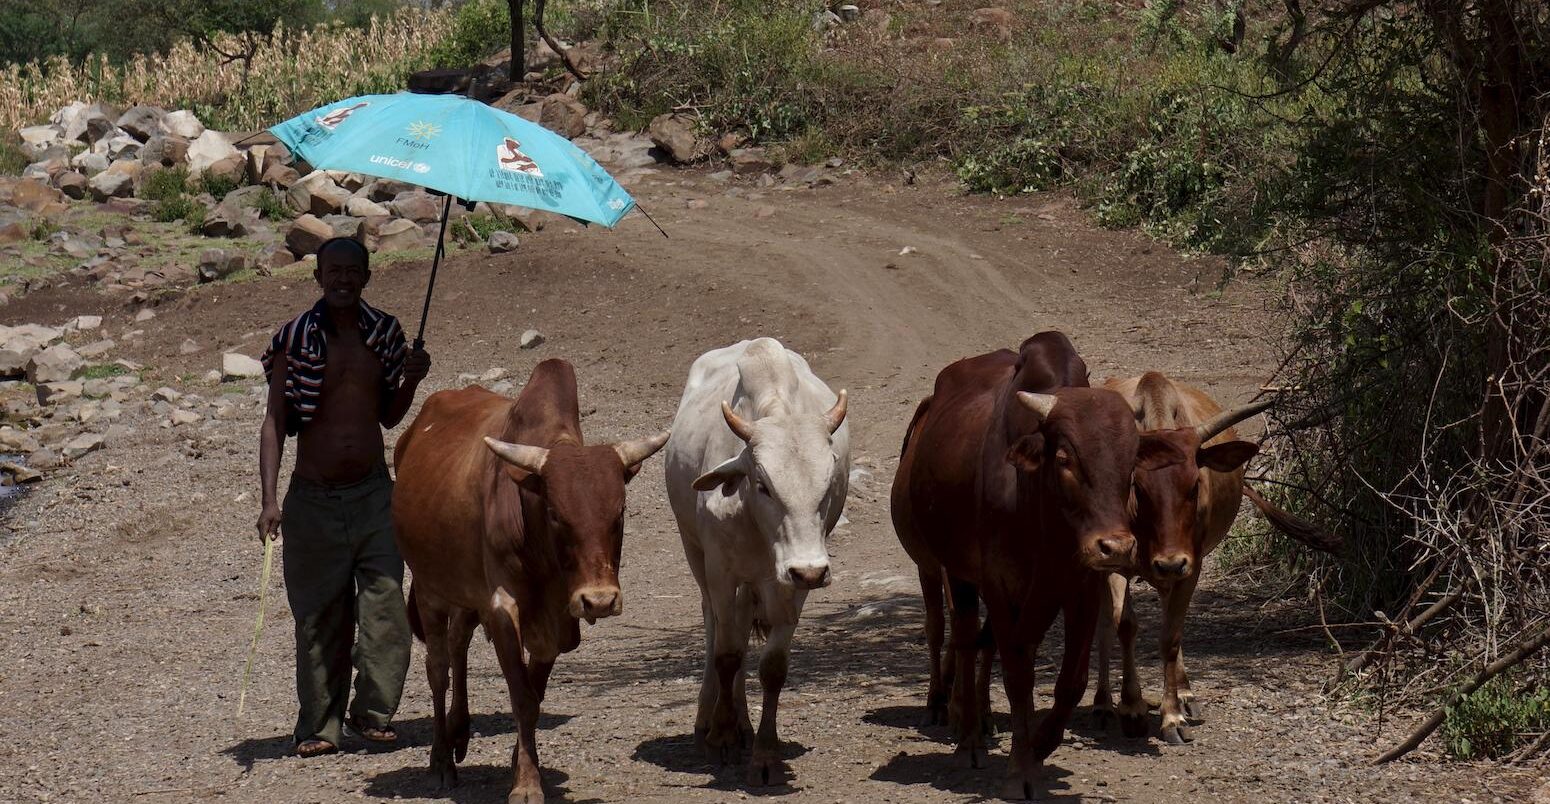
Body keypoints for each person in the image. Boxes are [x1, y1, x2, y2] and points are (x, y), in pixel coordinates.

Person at [256, 237, 432, 757]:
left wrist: (411, 381)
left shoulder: (383, 334)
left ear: (367, 277)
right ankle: (319, 725)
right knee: (318, 618)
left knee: (386, 612)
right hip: (312, 500)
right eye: (333, 271)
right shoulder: (295, 338)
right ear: (317, 276)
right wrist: (270, 500)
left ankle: (371, 713)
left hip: (376, 495)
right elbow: (274, 422)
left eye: (353, 271)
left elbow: (388, 416)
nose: (343, 280)